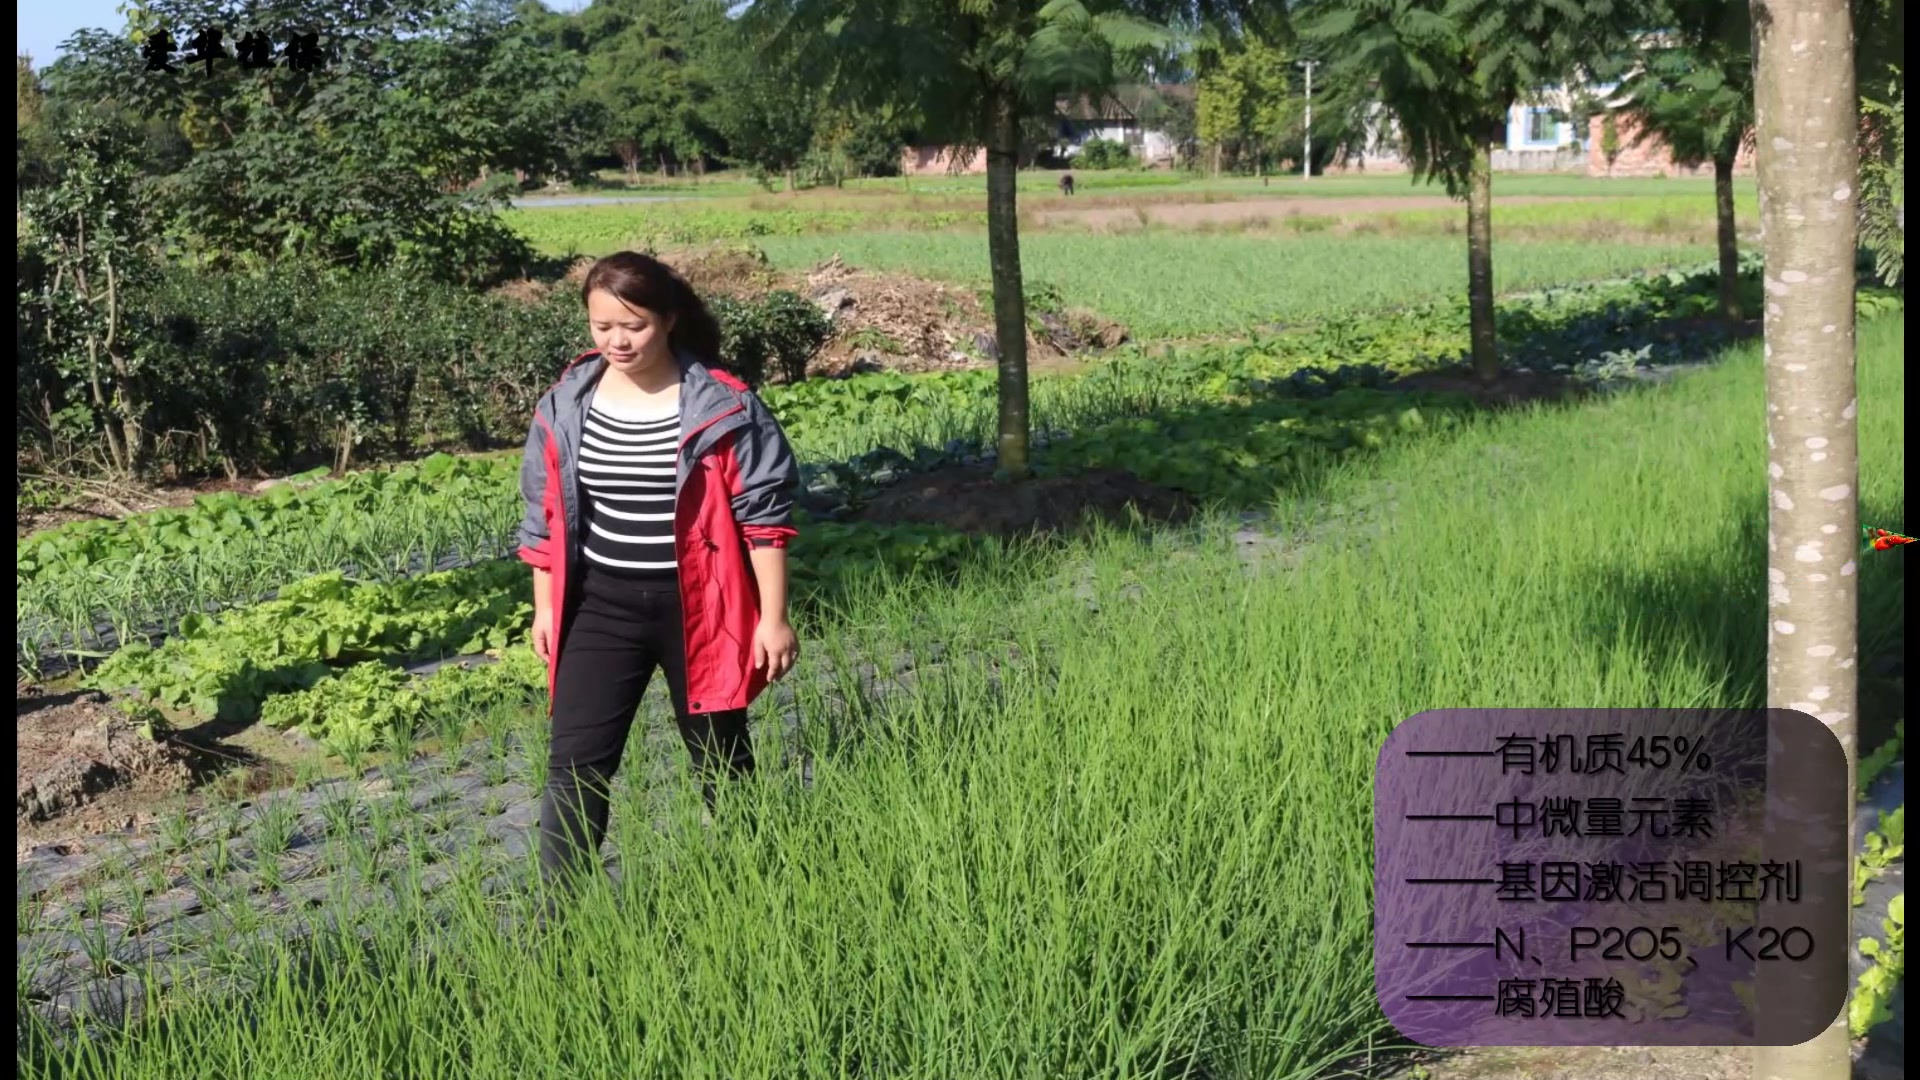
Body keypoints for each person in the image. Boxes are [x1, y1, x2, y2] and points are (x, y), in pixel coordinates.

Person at [516, 250, 802, 901]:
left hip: (700, 607)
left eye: (633, 326)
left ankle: (768, 891)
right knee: (574, 766)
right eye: (601, 326)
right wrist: (546, 608)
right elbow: (544, 513)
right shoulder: (565, 403)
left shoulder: (723, 407)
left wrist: (773, 617)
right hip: (599, 606)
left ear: (669, 320)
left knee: (721, 760)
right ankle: (558, 923)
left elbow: (763, 518)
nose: (617, 340)